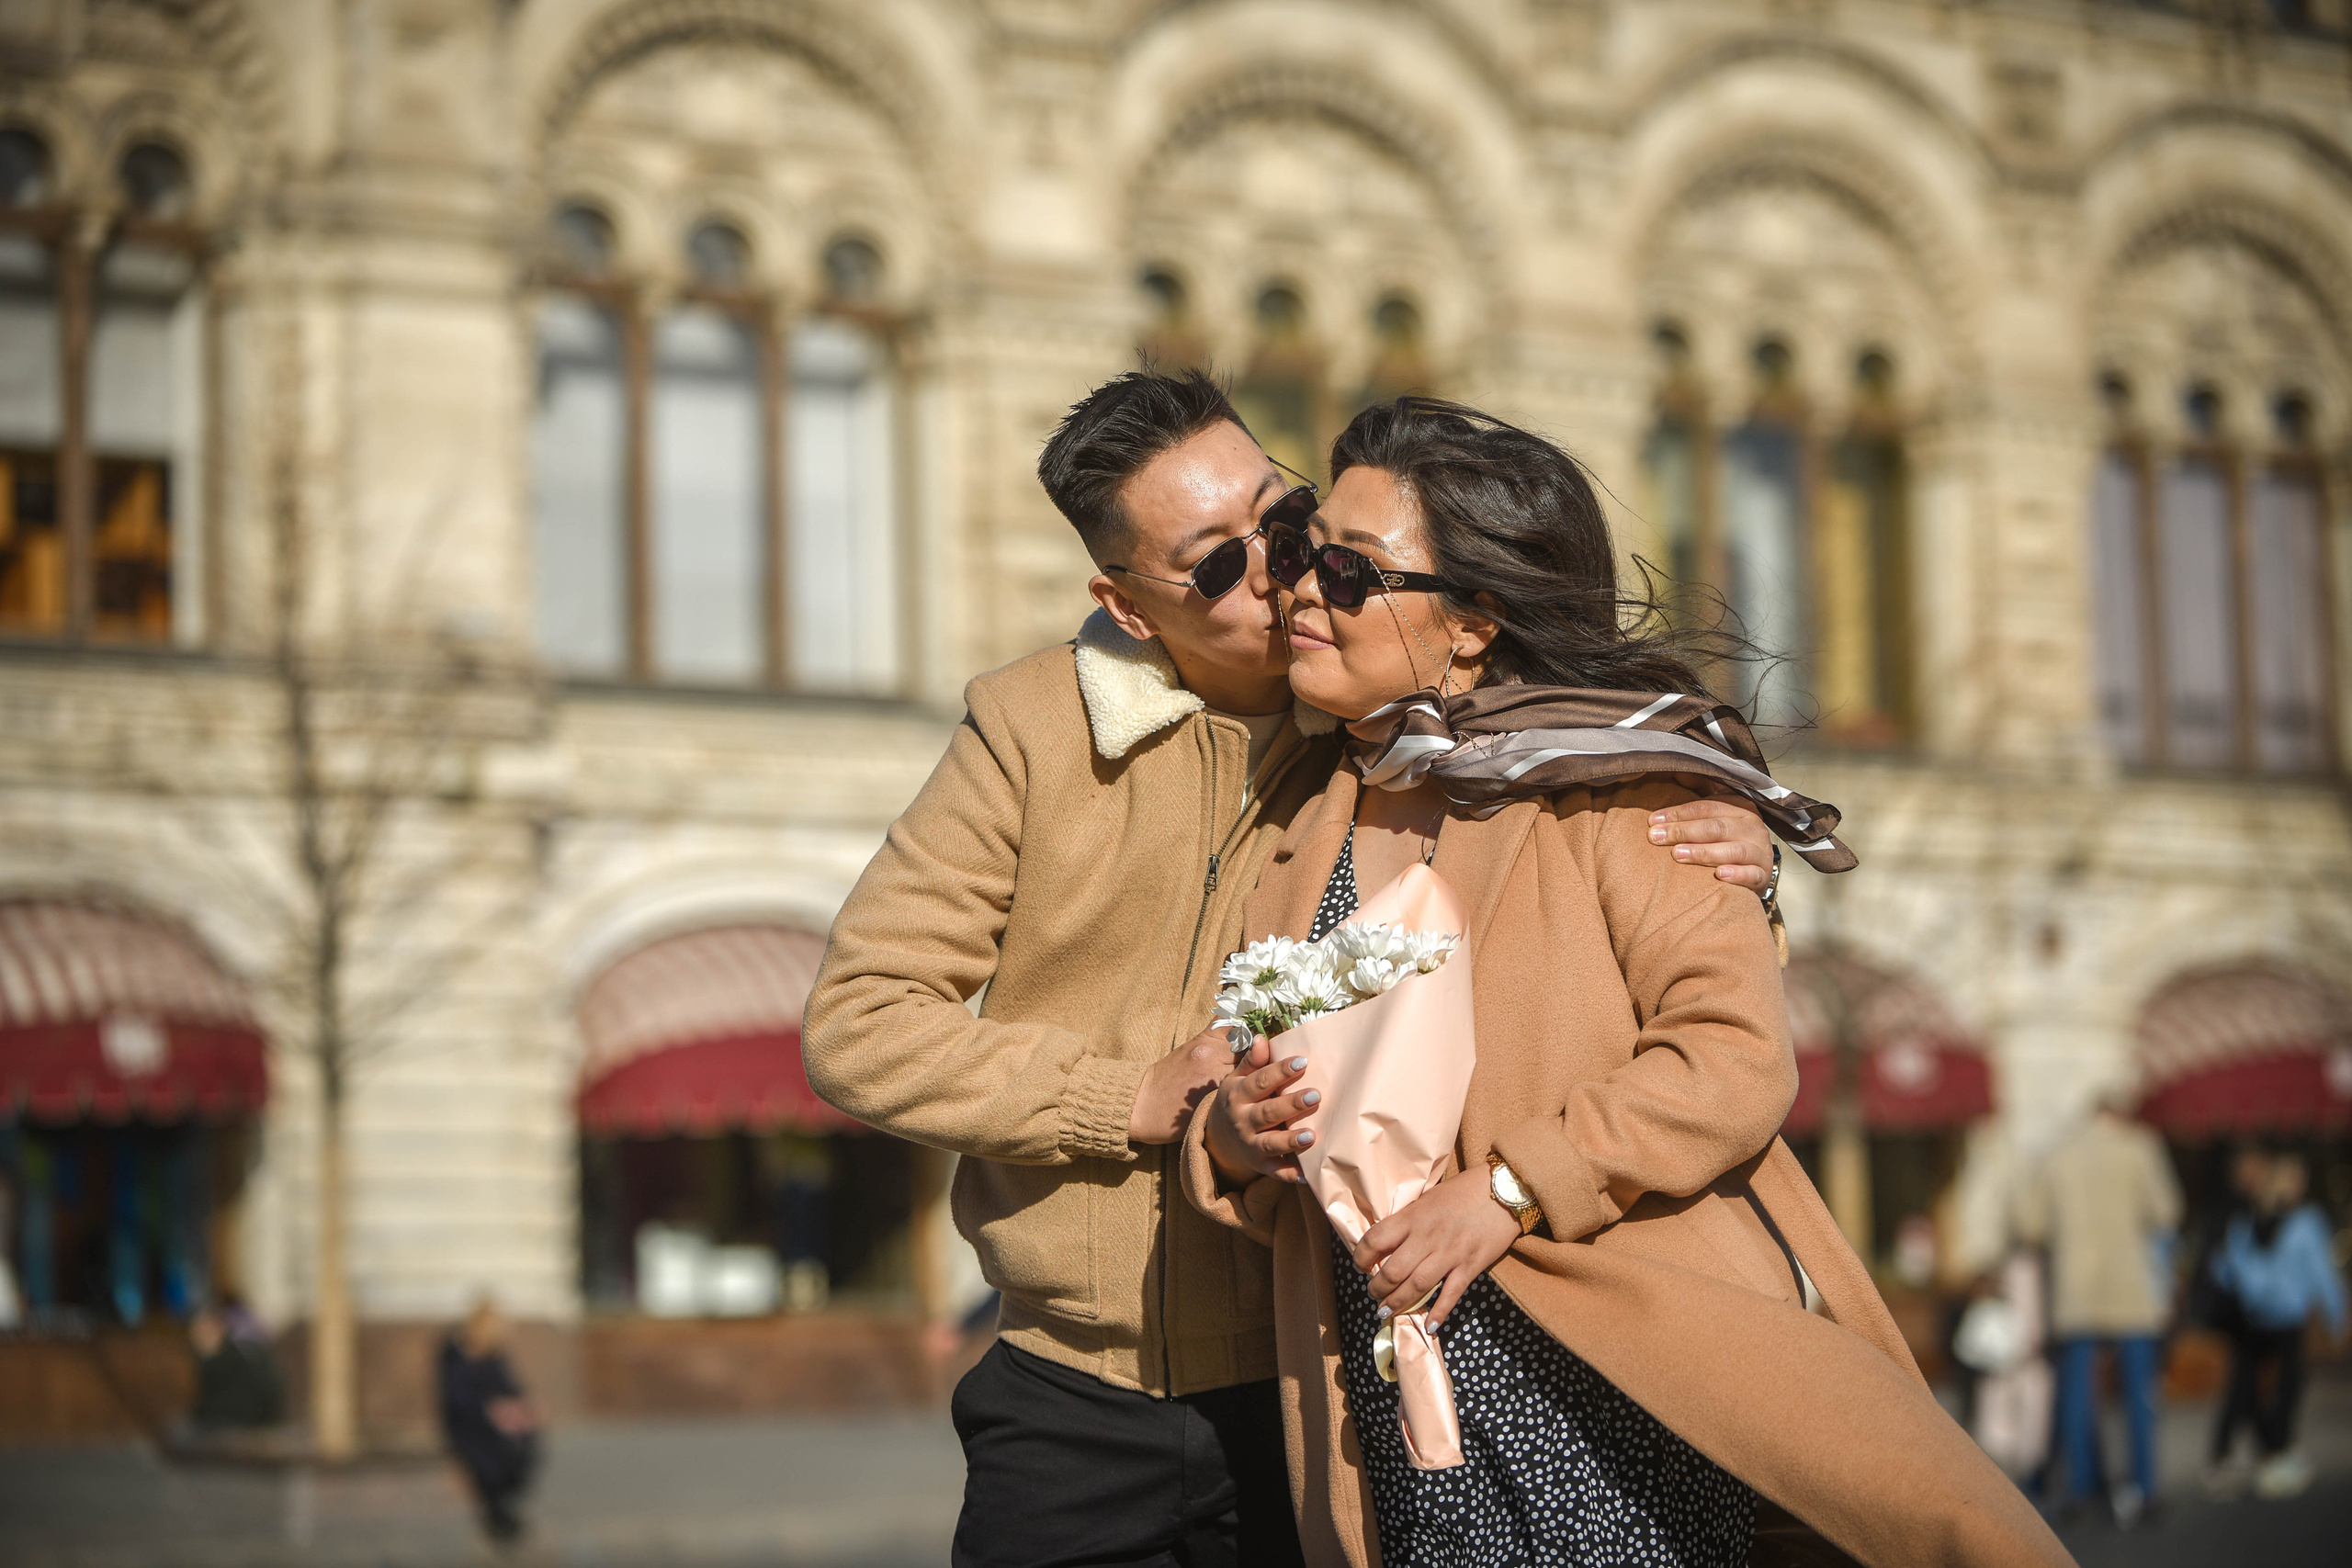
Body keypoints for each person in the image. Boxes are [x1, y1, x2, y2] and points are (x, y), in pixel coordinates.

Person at [801, 370, 1778, 1568]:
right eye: (1217, 563)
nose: (1280, 573)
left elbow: (1580, 818)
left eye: (1286, 521)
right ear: (1129, 603)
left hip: (1323, 1385)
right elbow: (860, 1021)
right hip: (1078, 1395)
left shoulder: (1378, 725)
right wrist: (1128, 1096)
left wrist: (1740, 855)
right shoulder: (1031, 731)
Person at [1190, 398, 2067, 1568]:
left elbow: (1732, 1058)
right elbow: (1265, 1111)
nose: (1302, 588)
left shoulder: (1633, 788)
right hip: (1385, 1393)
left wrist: (1503, 1191)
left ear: (1473, 625)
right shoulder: (1306, 819)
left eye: (1351, 571)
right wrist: (1237, 1141)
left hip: (1612, 1368)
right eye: (1305, 554)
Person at [2016, 1091, 2182, 1528]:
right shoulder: (2140, 1148)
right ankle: (2143, 1489)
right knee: (2139, 1394)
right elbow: (2166, 1211)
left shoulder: (2058, 1156)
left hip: (2076, 1290)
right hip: (2131, 1288)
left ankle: (2079, 1488)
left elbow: (2031, 1225)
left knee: (2075, 1396)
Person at [2211, 1151, 2347, 1500]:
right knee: (2287, 1385)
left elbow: (2227, 1265)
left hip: (2256, 1315)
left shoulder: (2253, 1218)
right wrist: (2337, 1313)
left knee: (2248, 1384)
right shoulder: (2305, 1221)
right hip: (2287, 1314)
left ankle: (2233, 1454)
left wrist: (2253, 1291)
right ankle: (2276, 1452)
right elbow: (2322, 1271)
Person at [436, 1297, 540, 1548]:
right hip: (468, 1427)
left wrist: (520, 1407)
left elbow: (510, 1387)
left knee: (525, 1443)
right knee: (492, 1455)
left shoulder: (494, 1354)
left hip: (496, 1423)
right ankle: (498, 1515)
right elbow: (457, 1400)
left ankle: (501, 1510)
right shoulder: (454, 1355)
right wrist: (492, 1412)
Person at [187, 1301, 286, 1431]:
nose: (197, 1337)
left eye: (202, 1330)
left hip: (236, 1426)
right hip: (241, 1424)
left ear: (218, 1330)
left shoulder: (227, 1360)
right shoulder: (233, 1355)